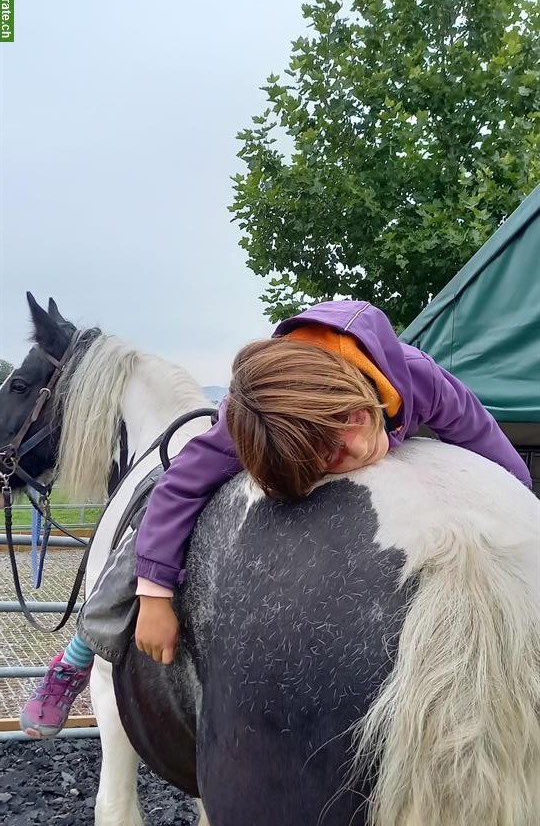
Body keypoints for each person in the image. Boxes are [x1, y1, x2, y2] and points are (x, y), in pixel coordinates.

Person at [20, 300, 532, 738]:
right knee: (152, 514)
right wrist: (154, 594)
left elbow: (481, 434)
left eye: (350, 426)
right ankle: (80, 652)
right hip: (266, 426)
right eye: (327, 459)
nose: (356, 451)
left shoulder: (417, 376)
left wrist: (523, 504)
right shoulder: (245, 423)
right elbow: (180, 487)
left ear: (359, 399)